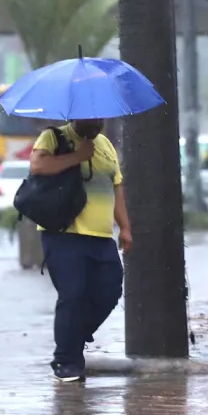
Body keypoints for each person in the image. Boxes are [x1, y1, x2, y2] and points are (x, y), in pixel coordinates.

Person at [29, 118, 133, 382]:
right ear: (76, 116)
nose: (97, 122)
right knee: (72, 295)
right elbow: (38, 165)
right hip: (63, 234)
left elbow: (116, 189)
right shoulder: (53, 138)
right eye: (92, 117)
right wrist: (77, 156)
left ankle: (72, 338)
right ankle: (66, 362)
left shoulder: (106, 145)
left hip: (101, 236)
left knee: (110, 291)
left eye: (101, 118)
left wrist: (126, 229)